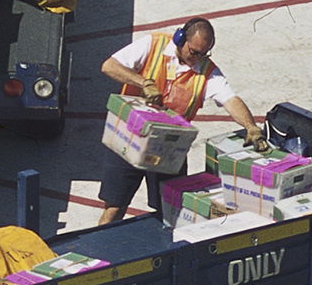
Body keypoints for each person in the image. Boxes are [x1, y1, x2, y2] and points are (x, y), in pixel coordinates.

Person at [96, 17, 261, 224]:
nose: (197, 59)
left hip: (167, 148)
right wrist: (143, 82)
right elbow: (109, 66)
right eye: (194, 52)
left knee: (170, 211)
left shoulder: (207, 72)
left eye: (203, 54)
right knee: (114, 207)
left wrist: (250, 126)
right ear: (180, 39)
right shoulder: (153, 44)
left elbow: (230, 99)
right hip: (130, 137)